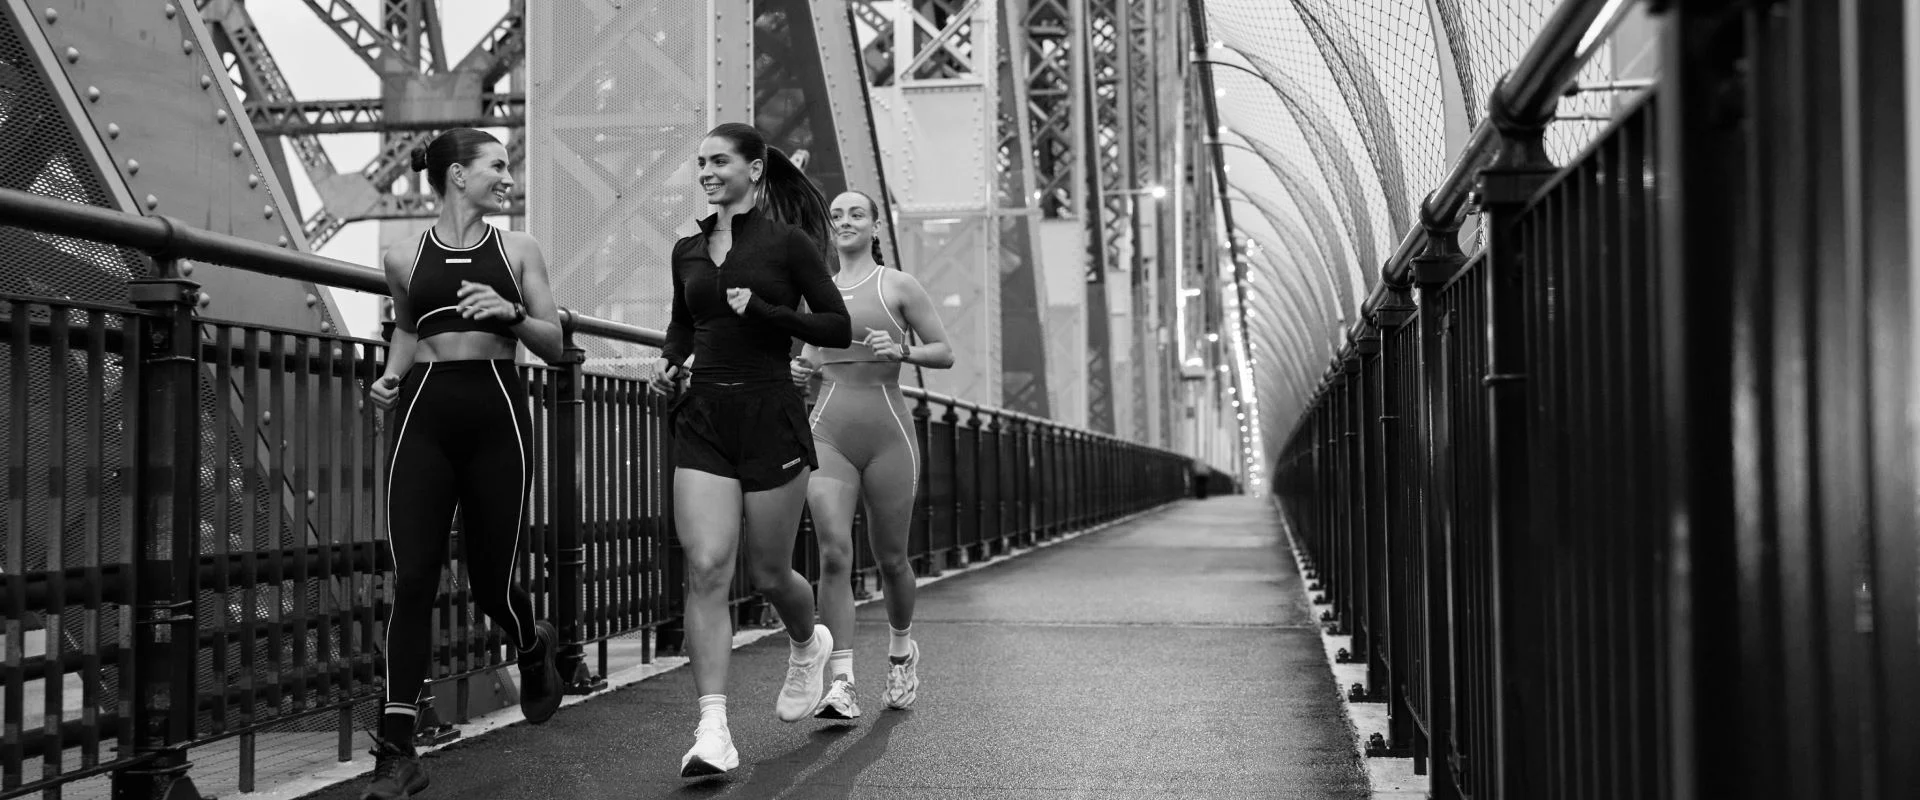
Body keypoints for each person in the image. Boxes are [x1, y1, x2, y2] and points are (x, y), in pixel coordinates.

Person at [361, 127, 568, 800]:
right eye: (497, 166)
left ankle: (529, 640)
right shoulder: (402, 254)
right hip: (421, 414)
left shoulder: (518, 250)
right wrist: (390, 379)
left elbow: (556, 344)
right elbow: (406, 324)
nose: (507, 178)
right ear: (458, 175)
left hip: (496, 413)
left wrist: (510, 314)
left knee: (490, 585)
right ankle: (397, 753)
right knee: (413, 578)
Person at [650, 123, 853, 777]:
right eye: (700, 162)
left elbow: (835, 324)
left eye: (720, 161)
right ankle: (713, 729)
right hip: (704, 419)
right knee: (707, 568)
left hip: (770, 415)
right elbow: (685, 326)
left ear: (755, 169)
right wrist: (670, 362)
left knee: (769, 573)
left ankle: (808, 641)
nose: (706, 171)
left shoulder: (788, 245)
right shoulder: (687, 249)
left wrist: (768, 311)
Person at [789, 191, 952, 720]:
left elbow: (943, 352)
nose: (845, 222)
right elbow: (813, 353)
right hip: (828, 430)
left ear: (875, 225)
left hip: (888, 433)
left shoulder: (897, 285)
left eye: (856, 214)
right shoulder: (820, 293)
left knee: (891, 558)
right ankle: (842, 681)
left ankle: (902, 652)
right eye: (836, 216)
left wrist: (902, 350)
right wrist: (802, 369)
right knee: (834, 552)